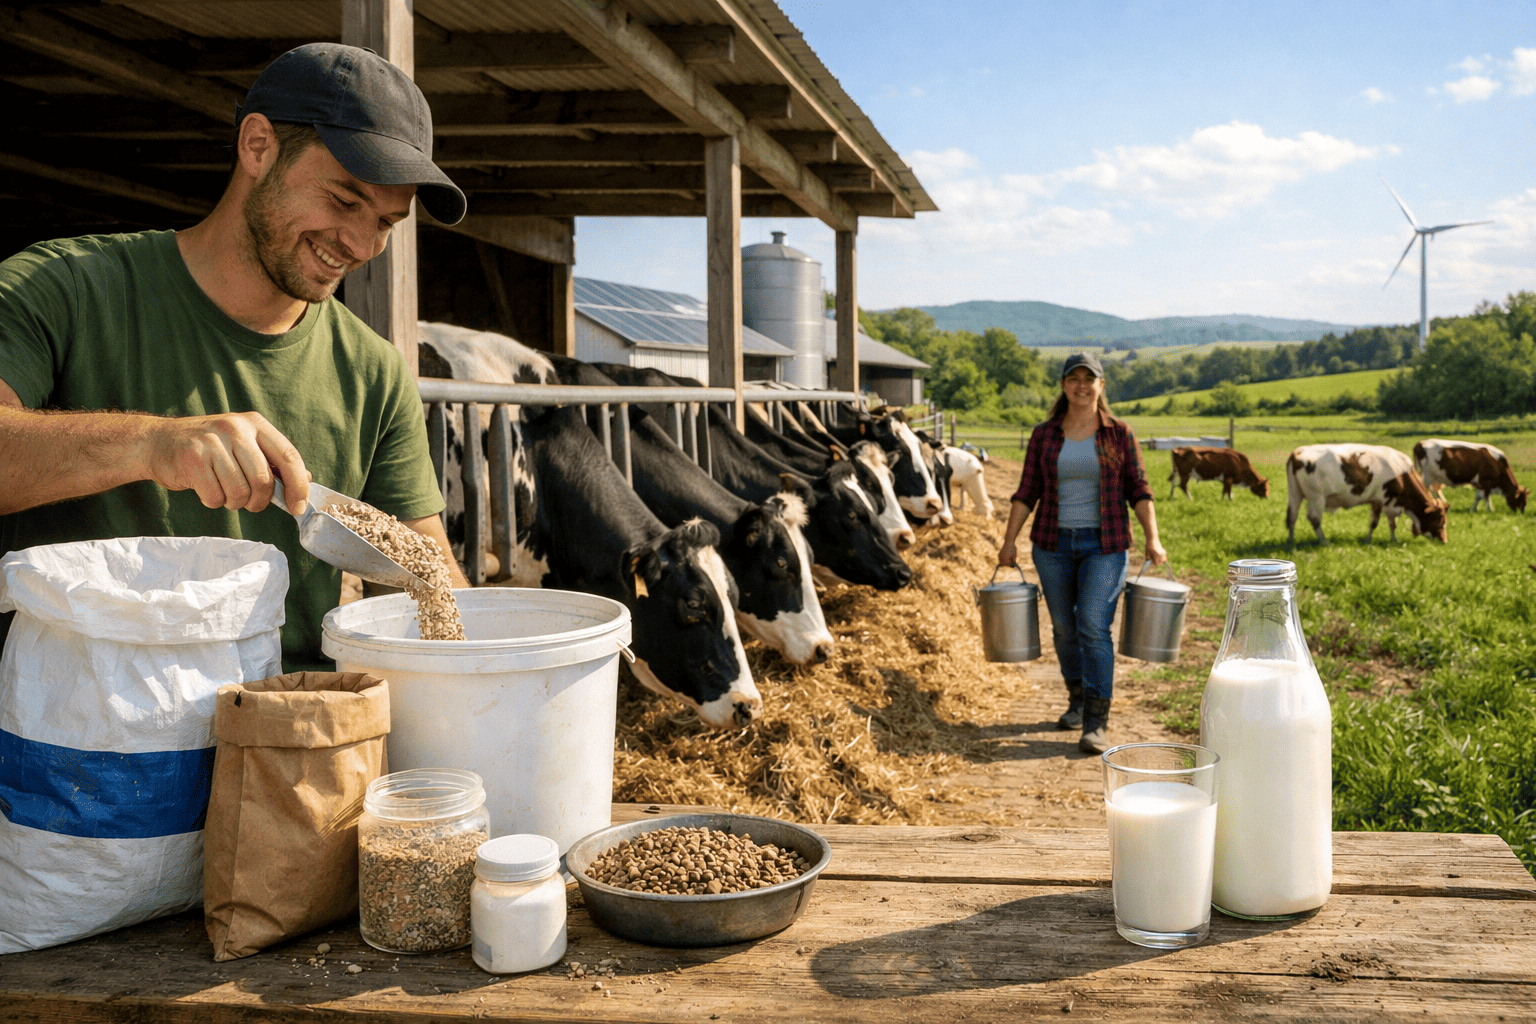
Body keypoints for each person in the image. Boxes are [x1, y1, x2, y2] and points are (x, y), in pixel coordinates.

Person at [0, 42, 470, 670]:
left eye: (386, 222)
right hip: (80, 740)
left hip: (287, 739)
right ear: (258, 146)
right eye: (344, 200)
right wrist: (150, 444)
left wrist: (505, 667)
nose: (360, 244)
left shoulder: (374, 373)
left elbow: (421, 567)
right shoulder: (63, 286)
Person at [997, 352, 1167, 754]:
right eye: (1073, 378)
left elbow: (1139, 489)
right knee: (1063, 628)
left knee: (1092, 624)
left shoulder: (1119, 434)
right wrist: (1008, 541)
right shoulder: (1044, 435)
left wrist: (1152, 538)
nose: (1081, 385)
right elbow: (1027, 491)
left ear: (1100, 385)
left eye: (1088, 378)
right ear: (1063, 385)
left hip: (1104, 545)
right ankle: (1076, 698)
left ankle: (1095, 721)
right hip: (1052, 545)